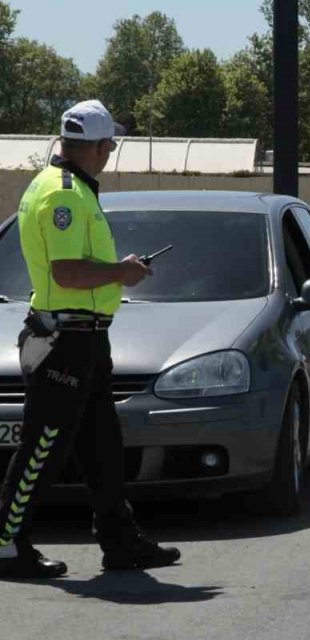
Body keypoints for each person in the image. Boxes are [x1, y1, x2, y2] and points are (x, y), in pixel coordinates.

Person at [0, 100, 180, 579]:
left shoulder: (64, 186)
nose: (110, 153)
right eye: (110, 145)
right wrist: (121, 272)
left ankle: (120, 540)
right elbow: (67, 272)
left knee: (102, 445)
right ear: (98, 147)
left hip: (84, 337)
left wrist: (117, 270)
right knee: (44, 445)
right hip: (66, 339)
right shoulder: (64, 195)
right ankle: (6, 543)